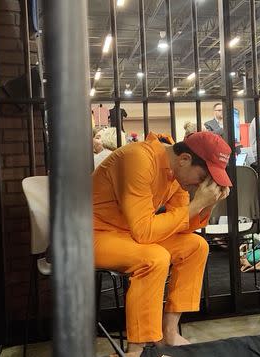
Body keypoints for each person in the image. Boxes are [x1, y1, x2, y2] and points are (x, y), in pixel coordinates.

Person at [92, 131, 231, 356]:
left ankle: (170, 332)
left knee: (196, 246)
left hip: (127, 234)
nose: (203, 184)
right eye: (204, 176)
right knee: (154, 258)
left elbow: (182, 225)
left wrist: (209, 204)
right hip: (91, 234)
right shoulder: (138, 158)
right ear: (184, 159)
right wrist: (196, 205)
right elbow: (145, 231)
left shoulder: (176, 173)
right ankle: (136, 350)